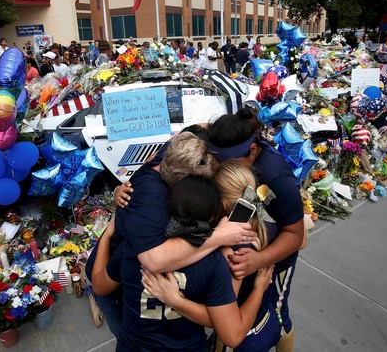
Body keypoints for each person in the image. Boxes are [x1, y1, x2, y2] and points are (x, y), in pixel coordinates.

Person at [88, 131, 256, 339]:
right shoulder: (212, 260)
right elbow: (226, 327)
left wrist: (106, 232)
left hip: (121, 296)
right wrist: (219, 238)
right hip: (116, 287)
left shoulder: (173, 157)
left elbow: (193, 130)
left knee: (125, 332)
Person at [93, 175, 273, 351]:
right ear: (213, 217)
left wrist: (107, 235)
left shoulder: (137, 248)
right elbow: (229, 329)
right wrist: (258, 289)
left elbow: (99, 287)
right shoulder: (217, 262)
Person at [143, 162, 281, 352]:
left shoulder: (231, 253)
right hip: (268, 320)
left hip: (244, 341)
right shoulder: (266, 220)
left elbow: (224, 324)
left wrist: (175, 300)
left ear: (220, 206)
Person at [207, 108, 305, 352]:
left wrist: (260, 260)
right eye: (216, 161)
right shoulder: (229, 149)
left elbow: (296, 235)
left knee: (277, 312)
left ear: (252, 152)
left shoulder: (276, 175)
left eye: (227, 164)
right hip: (246, 251)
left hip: (274, 259)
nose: (220, 169)